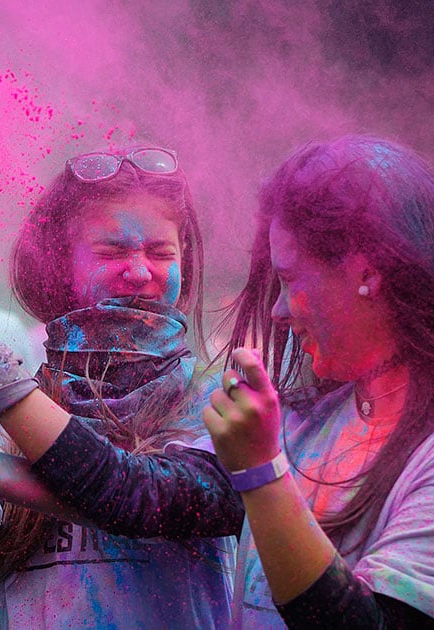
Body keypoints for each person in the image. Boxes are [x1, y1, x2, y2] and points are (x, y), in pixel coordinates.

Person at [0, 146, 240, 628]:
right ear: (60, 268)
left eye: (161, 252)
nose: (138, 271)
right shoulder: (31, 409)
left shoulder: (217, 403)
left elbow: (144, 497)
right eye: (111, 251)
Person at [201, 136, 434, 627]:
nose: (276, 311)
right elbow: (142, 493)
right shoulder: (310, 418)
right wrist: (4, 470)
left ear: (365, 271)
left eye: (290, 279)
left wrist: (261, 472)